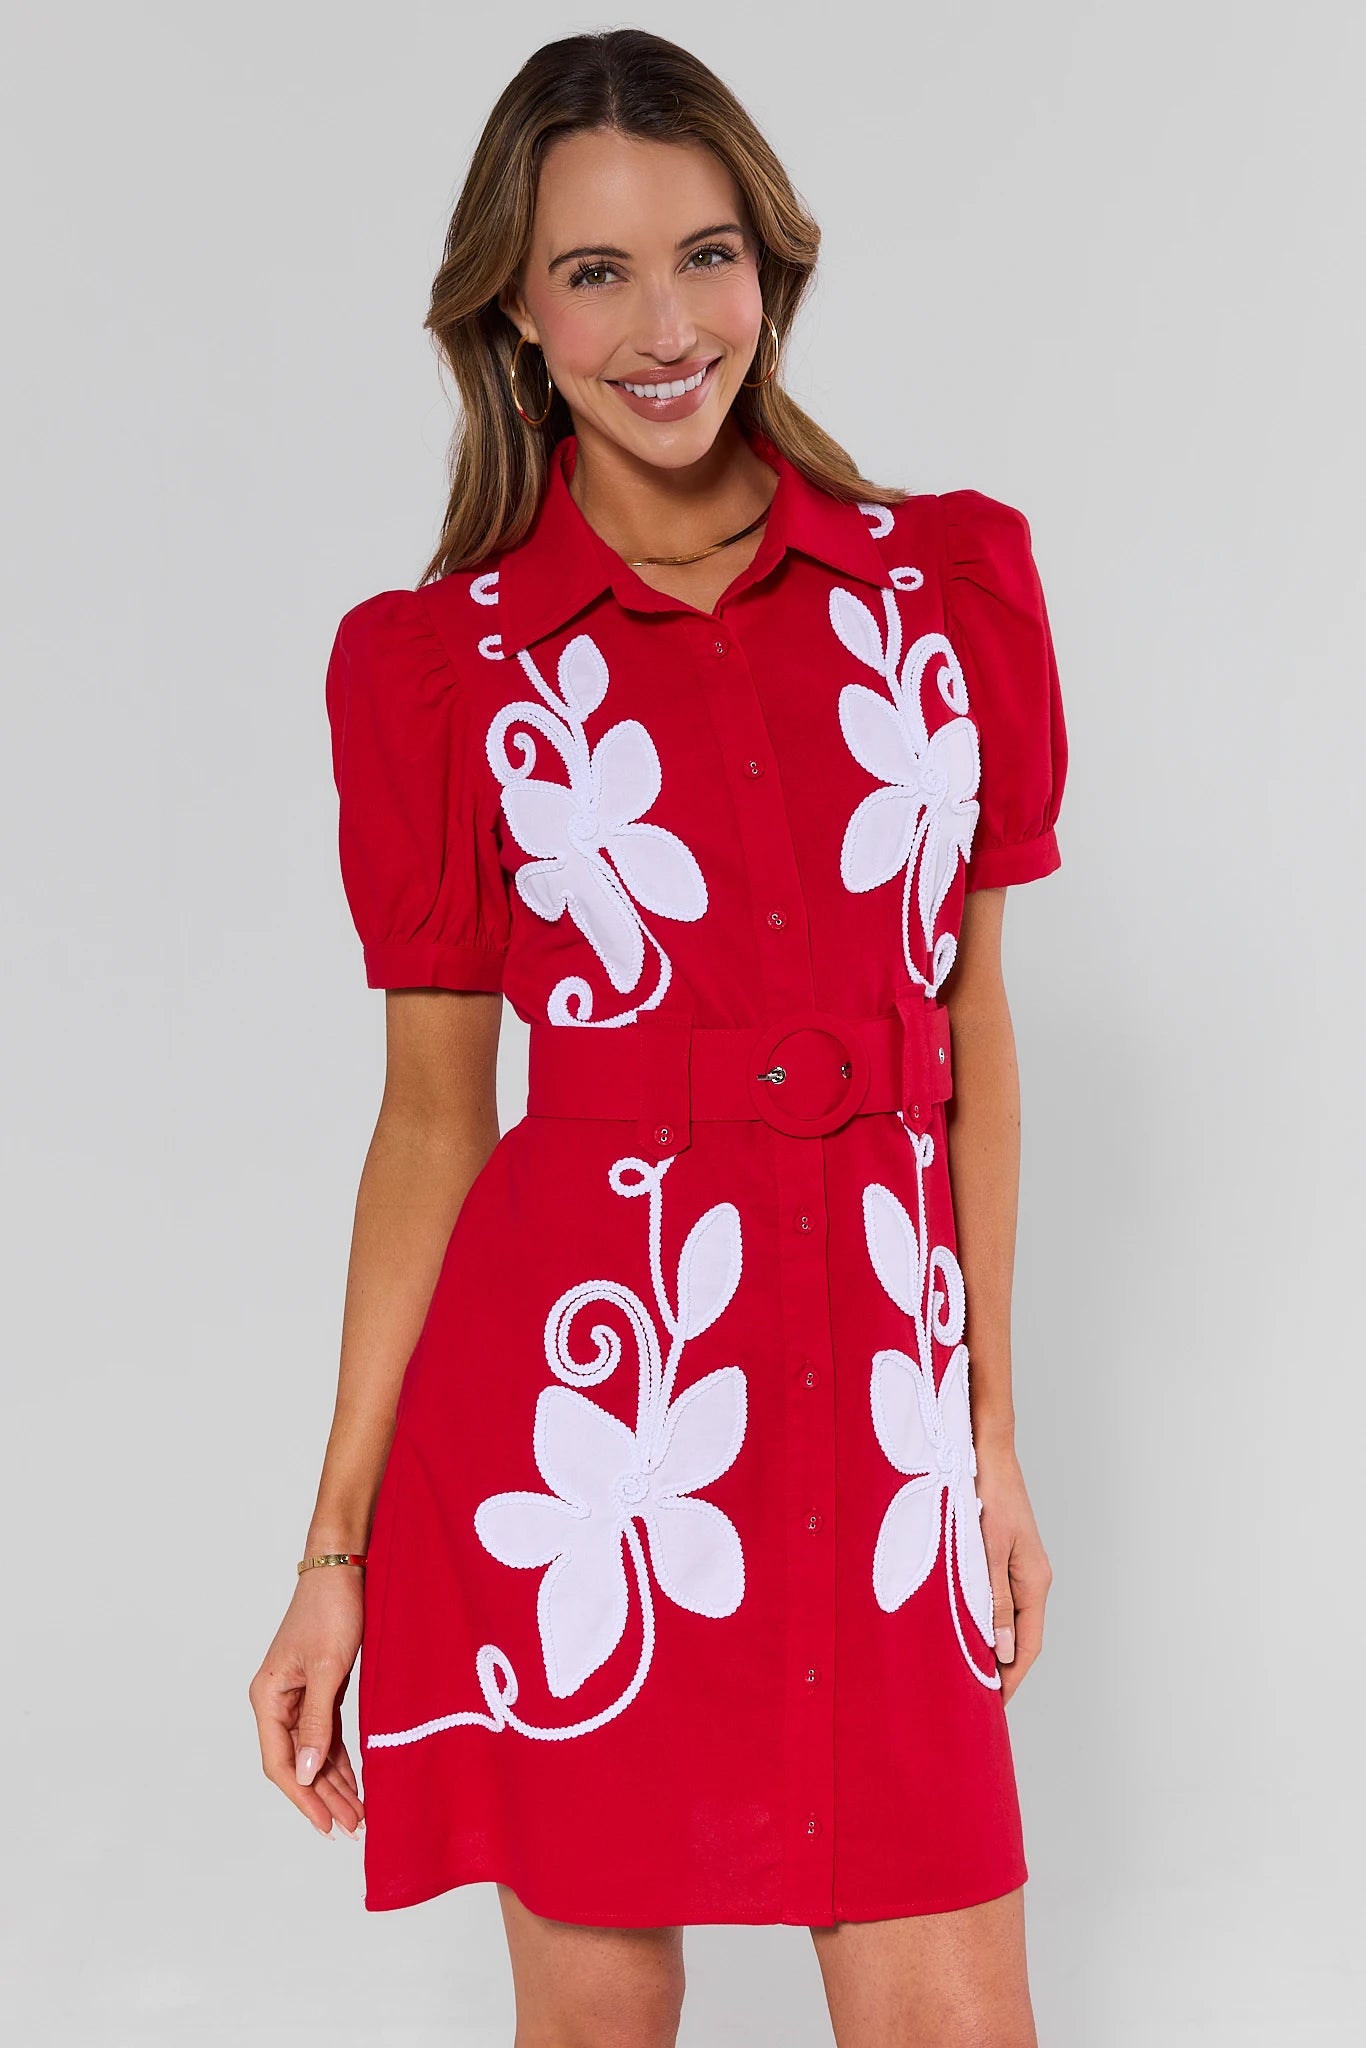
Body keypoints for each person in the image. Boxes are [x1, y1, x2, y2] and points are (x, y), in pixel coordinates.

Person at [249, 27, 1068, 2046]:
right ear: (513, 313)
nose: (660, 322)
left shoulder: (942, 595)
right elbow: (432, 1125)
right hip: (593, 1450)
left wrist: (983, 1436)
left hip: (877, 1432)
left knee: (952, 2004)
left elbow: (968, 1033)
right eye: (593, 271)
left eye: (703, 255)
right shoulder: (442, 674)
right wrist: (333, 1548)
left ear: (769, 268)